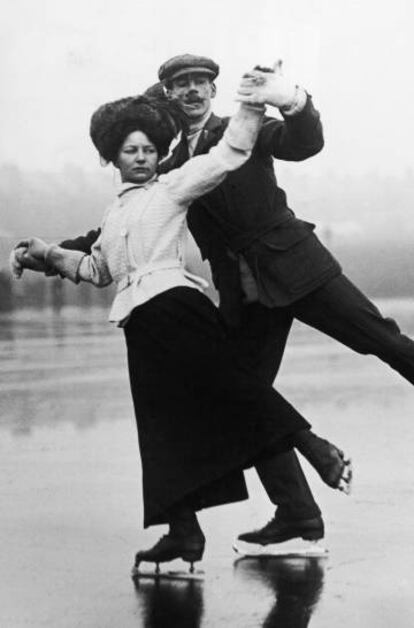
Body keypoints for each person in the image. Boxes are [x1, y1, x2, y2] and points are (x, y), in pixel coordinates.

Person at [13, 73, 351, 574]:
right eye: (132, 150)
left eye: (149, 148)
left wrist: (256, 107)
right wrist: (45, 254)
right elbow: (97, 269)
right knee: (163, 431)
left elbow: (227, 154)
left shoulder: (173, 186)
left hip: (177, 306)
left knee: (237, 390)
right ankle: (183, 533)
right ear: (112, 158)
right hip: (140, 326)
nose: (143, 157)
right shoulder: (114, 216)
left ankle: (317, 450)